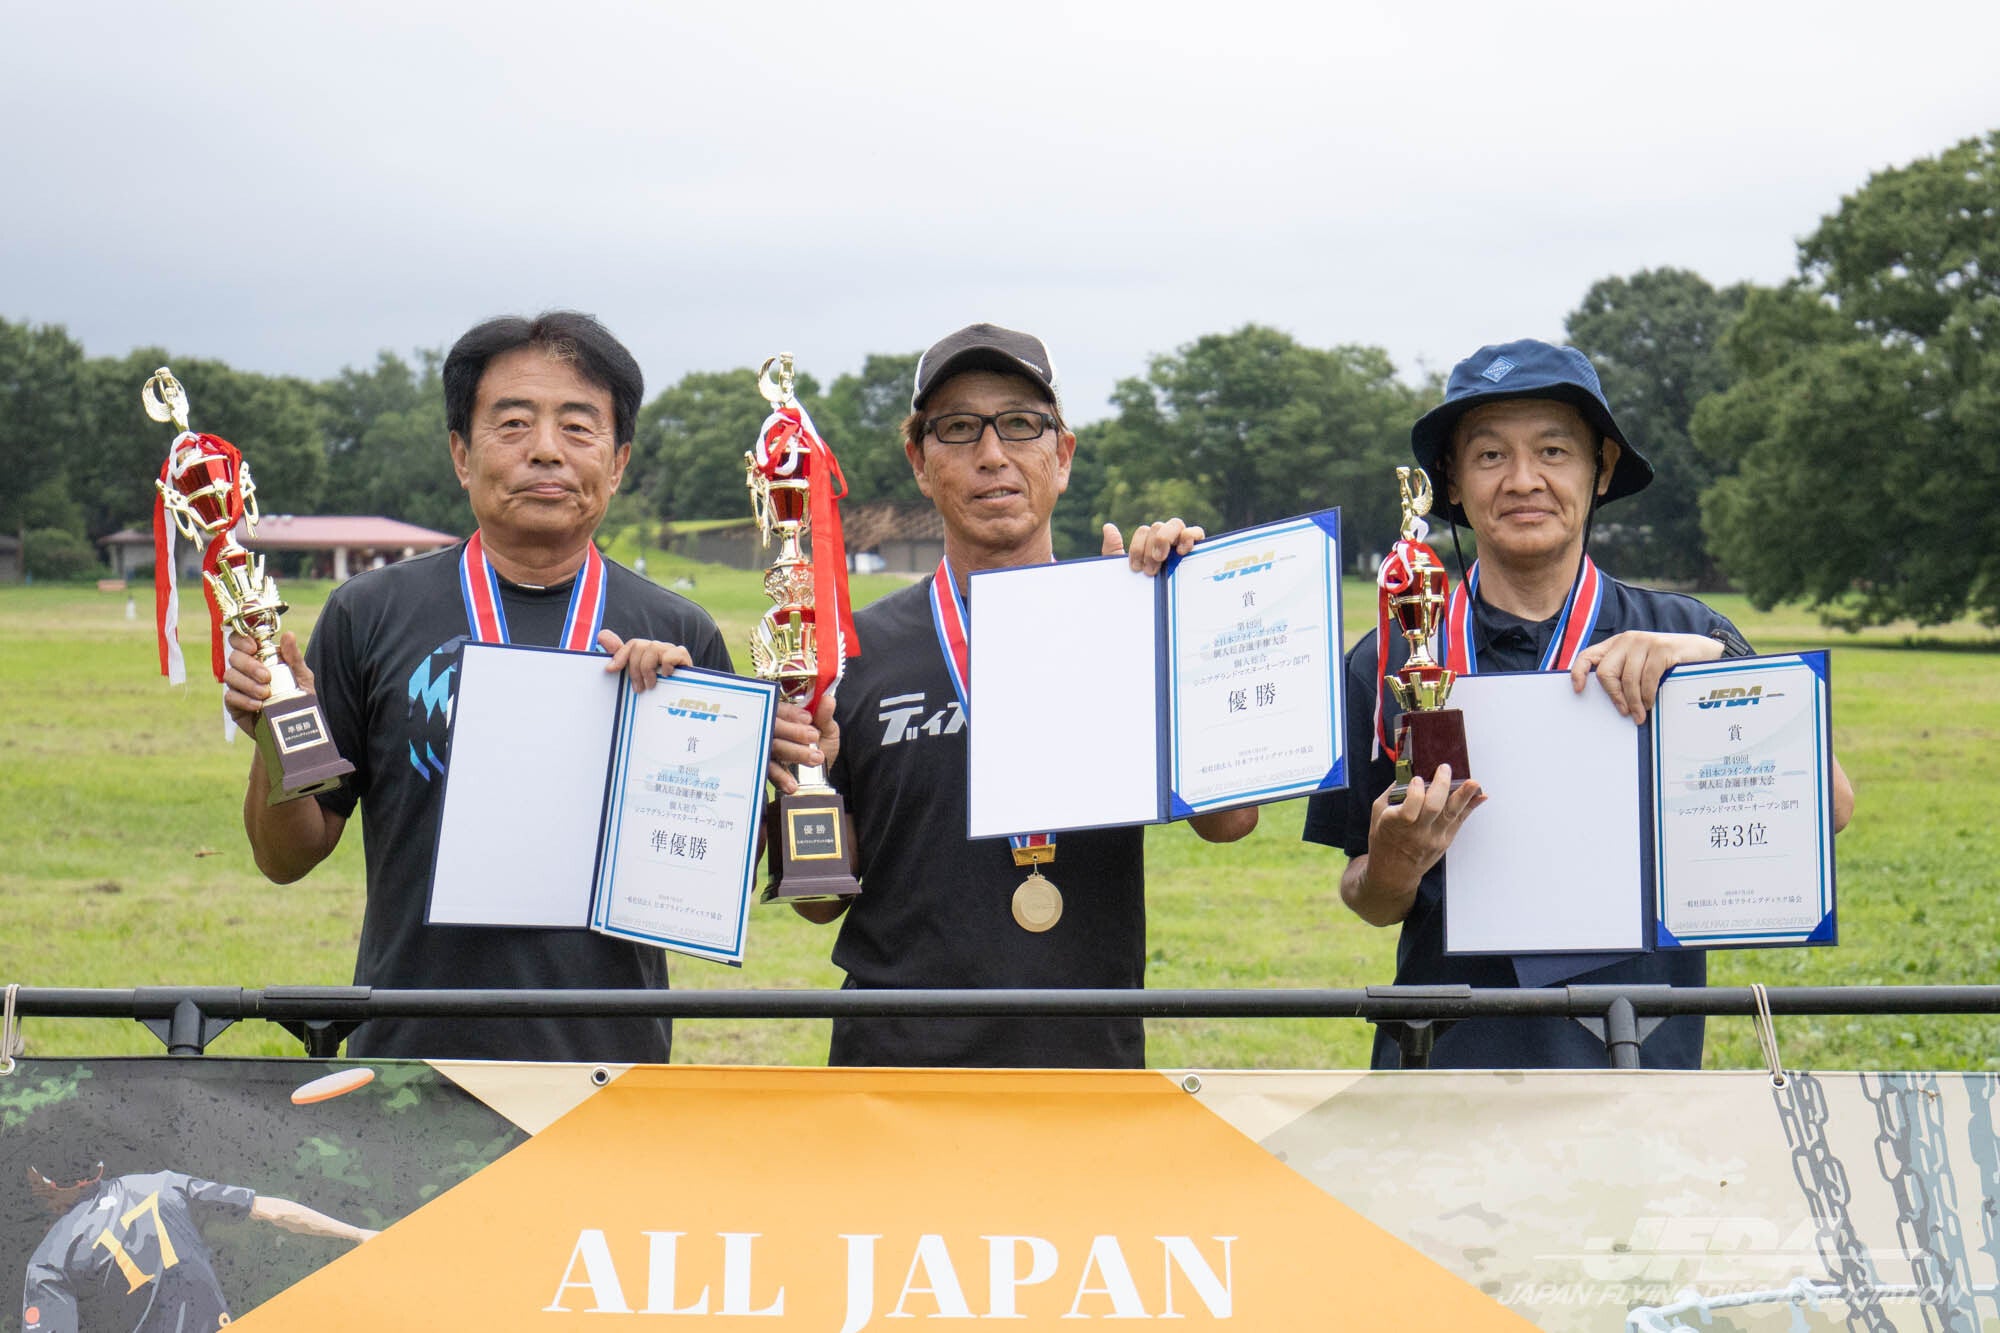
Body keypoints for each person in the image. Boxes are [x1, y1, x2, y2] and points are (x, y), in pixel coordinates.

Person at [225, 311, 827, 1062]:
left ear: (618, 462)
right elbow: (288, 857)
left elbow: (719, 884)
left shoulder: (679, 633)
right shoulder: (370, 614)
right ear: (460, 454)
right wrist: (273, 733)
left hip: (614, 1066)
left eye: (578, 428)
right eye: (513, 424)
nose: (546, 450)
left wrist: (674, 727)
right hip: (411, 1061)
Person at [1303, 338, 1855, 1070]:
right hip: (1445, 1054)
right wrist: (1396, 864)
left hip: (1637, 1046)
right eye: (1491, 455)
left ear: (1602, 470)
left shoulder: (1687, 634)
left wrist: (1709, 671)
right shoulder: (1394, 654)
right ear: (1453, 484)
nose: (1524, 480)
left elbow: (1833, 808)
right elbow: (1367, 895)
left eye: (1555, 451)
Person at [796, 322, 1258, 1068]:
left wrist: (1179, 640)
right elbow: (821, 901)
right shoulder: (851, 651)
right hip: (894, 1064)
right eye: (958, 429)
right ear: (919, 460)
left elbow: (1231, 821)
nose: (992, 454)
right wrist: (802, 781)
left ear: (1062, 454)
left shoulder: (1127, 621)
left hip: (1086, 1054)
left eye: (1019, 425)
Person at [22, 1159, 375, 1333]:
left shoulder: (49, 1260)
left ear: (51, 1181)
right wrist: (357, 1232)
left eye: (36, 1183)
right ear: (96, 1170)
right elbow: (271, 1210)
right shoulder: (162, 1184)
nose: (35, 1190)